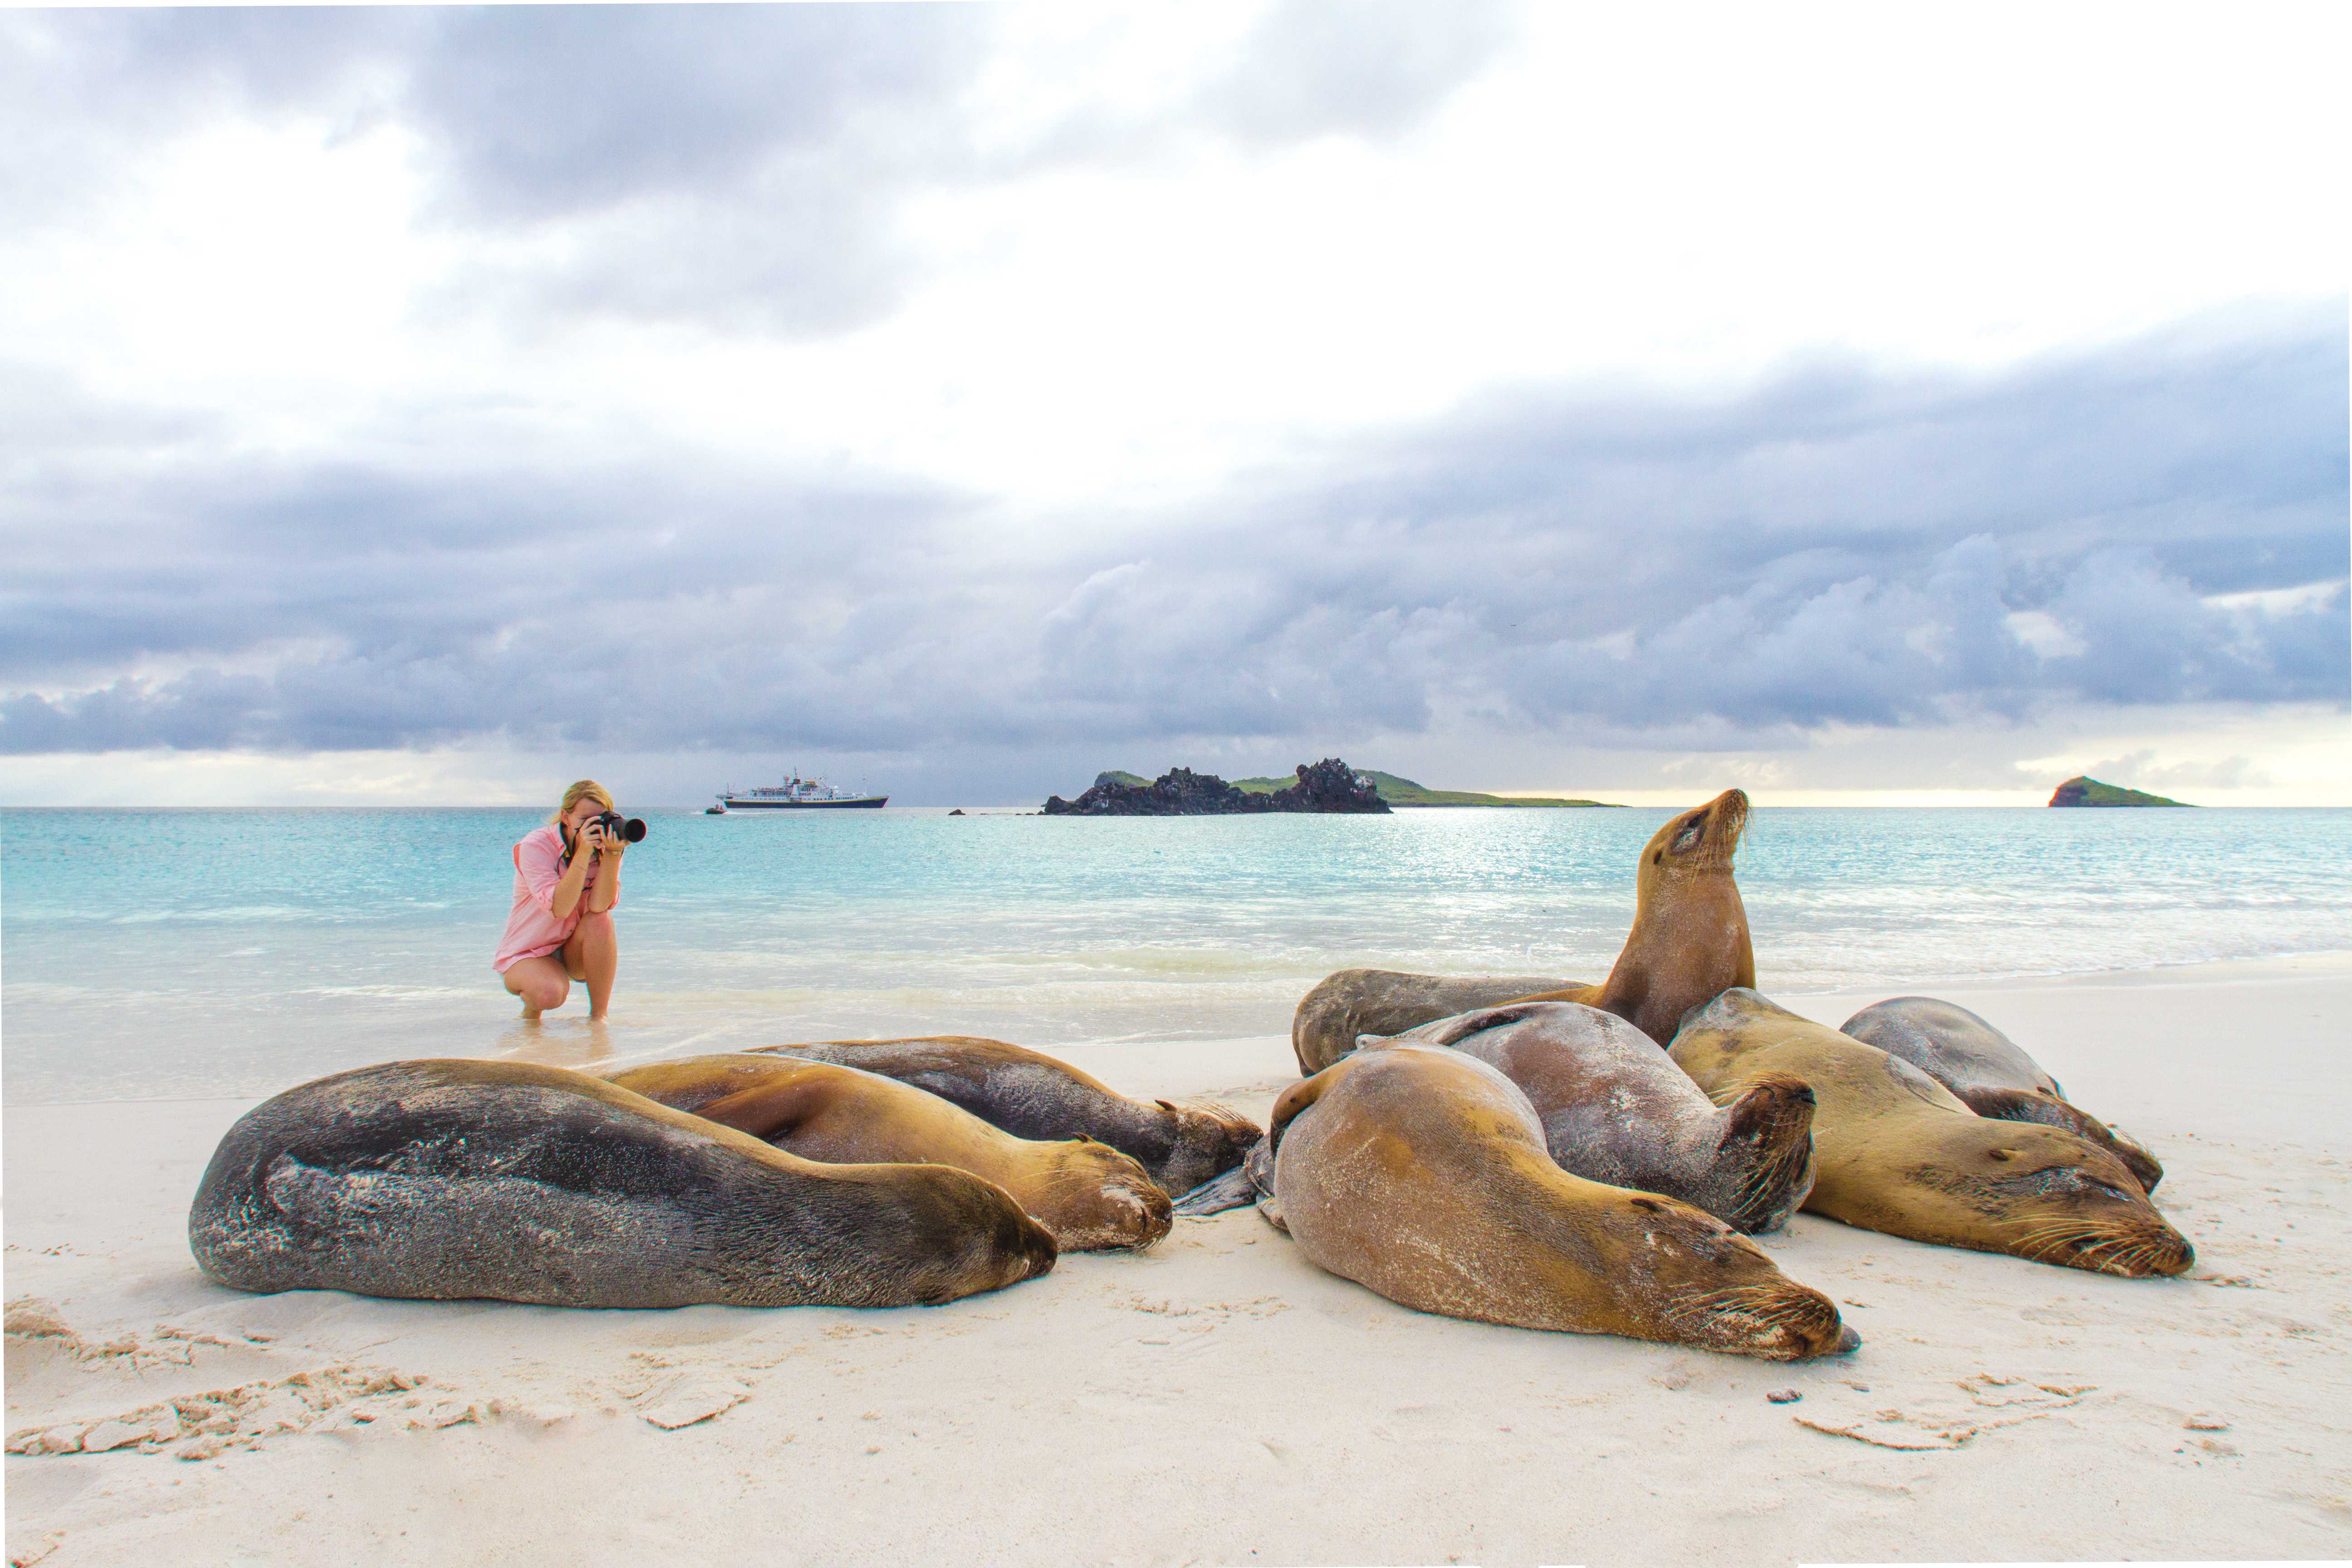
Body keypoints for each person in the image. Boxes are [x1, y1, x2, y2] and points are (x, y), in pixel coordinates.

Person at [494, 780, 627, 1021]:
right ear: (566, 817)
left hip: (571, 949)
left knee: (602, 921)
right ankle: (532, 1013)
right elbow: (561, 908)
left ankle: (599, 1018)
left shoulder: (605, 849)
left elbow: (599, 906)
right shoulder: (535, 846)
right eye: (585, 821)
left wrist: (613, 855)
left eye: (599, 820)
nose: (593, 828)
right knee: (549, 994)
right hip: (528, 952)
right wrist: (583, 853)